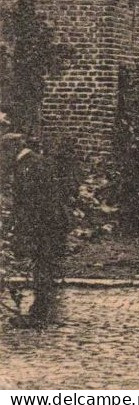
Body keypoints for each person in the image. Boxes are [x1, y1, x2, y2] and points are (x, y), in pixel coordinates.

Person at [9, 138, 70, 327]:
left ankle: (40, 313)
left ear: (12, 150)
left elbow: (30, 202)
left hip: (43, 224)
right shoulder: (37, 162)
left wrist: (23, 227)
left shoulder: (27, 166)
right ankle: (43, 310)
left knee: (43, 265)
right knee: (44, 265)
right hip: (50, 223)